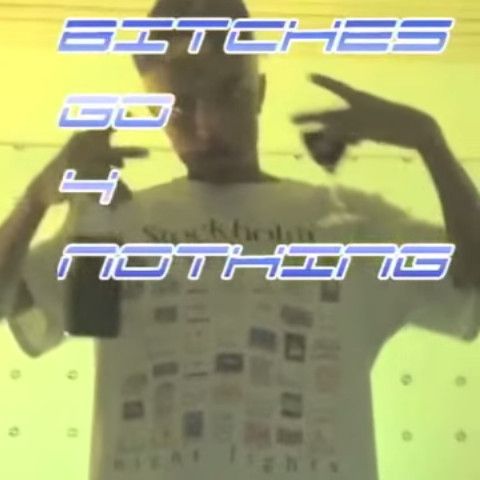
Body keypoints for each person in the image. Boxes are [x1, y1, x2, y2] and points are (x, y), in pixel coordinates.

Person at [0, 0, 479, 479]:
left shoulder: (347, 223)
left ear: (259, 92)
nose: (209, 125)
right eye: (181, 106)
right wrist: (36, 198)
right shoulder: (114, 227)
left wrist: (429, 141)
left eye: (230, 92)